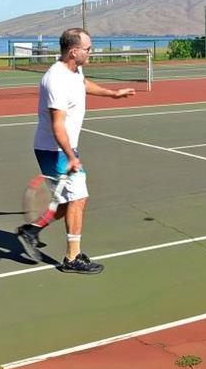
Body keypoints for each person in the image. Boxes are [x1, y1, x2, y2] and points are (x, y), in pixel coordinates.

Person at [17, 27, 134, 273]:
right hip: (55, 149)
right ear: (73, 51)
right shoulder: (55, 80)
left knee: (68, 201)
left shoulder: (74, 69)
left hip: (64, 149)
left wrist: (112, 94)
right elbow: (57, 124)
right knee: (77, 198)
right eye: (88, 49)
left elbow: (83, 83)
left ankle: (32, 230)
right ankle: (72, 258)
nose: (91, 52)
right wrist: (71, 156)